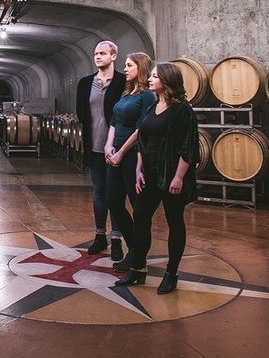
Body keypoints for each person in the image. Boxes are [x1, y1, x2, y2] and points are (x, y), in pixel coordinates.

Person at [115, 61, 199, 294]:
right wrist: (139, 168)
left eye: (154, 76)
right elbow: (143, 138)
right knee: (140, 216)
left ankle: (171, 274)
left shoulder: (182, 109)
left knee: (174, 221)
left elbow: (189, 146)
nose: (150, 79)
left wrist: (179, 177)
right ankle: (138, 268)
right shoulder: (154, 105)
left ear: (167, 81)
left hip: (171, 174)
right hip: (150, 173)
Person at [75, 41, 125, 259]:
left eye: (102, 53)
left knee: (116, 195)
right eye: (95, 53)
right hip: (94, 147)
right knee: (99, 194)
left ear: (113, 56)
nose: (97, 57)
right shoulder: (85, 83)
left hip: (117, 149)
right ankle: (99, 236)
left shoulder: (123, 81)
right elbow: (80, 113)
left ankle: (116, 239)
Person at [105, 52, 156, 265]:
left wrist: (121, 152)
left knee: (139, 209)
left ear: (141, 68)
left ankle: (138, 255)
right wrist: (109, 144)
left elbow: (141, 128)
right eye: (125, 65)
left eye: (129, 66)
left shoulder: (147, 96)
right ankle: (134, 247)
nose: (124, 69)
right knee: (113, 201)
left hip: (133, 156)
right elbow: (115, 120)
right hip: (115, 152)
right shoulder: (127, 92)